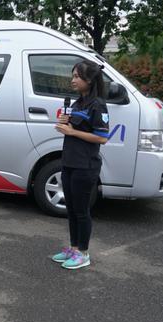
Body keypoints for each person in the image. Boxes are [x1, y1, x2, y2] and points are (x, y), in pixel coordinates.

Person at [51, 60, 110, 270]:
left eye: (77, 76)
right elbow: (72, 128)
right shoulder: (77, 103)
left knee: (82, 211)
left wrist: (72, 131)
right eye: (73, 76)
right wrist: (65, 123)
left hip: (85, 165)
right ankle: (73, 248)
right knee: (72, 209)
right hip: (69, 162)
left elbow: (102, 137)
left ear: (90, 80)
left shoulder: (98, 105)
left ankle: (83, 253)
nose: (72, 80)